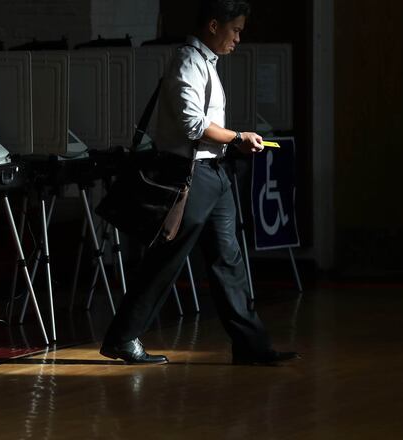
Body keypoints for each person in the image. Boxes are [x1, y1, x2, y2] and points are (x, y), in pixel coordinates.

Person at [100, 0, 299, 366]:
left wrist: (233, 142)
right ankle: (122, 338)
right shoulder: (189, 63)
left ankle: (251, 346)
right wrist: (238, 136)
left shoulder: (205, 62)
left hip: (213, 175)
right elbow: (194, 126)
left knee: (229, 261)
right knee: (167, 260)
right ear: (213, 25)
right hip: (190, 176)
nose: (238, 38)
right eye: (235, 29)